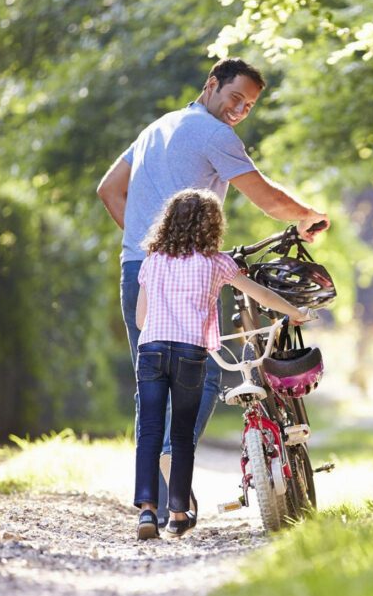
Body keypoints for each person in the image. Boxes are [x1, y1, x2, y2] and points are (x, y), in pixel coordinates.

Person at [97, 58, 328, 524]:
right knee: (199, 374)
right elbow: (266, 198)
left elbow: (108, 190)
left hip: (138, 268)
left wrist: (154, 245)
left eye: (249, 106)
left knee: (152, 379)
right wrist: (307, 215)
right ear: (211, 85)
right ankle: (169, 460)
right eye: (235, 98)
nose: (239, 111)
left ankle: (158, 507)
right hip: (190, 274)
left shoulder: (158, 127)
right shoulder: (214, 134)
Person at [133, 188, 315, 539]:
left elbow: (142, 319)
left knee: (150, 432)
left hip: (151, 350)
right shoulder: (216, 262)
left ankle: (145, 512)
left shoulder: (152, 259)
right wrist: (296, 313)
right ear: (212, 225)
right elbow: (259, 294)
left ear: (168, 222)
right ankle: (178, 512)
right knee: (182, 435)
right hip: (189, 352)